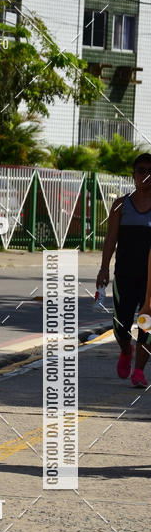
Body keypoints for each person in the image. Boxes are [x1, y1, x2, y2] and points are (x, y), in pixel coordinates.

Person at [96, 153, 151, 388]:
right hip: (125, 275)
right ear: (133, 175)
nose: (145, 175)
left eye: (150, 171)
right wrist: (103, 268)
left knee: (147, 323)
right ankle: (125, 350)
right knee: (120, 325)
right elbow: (111, 238)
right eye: (141, 170)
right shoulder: (120, 204)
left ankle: (139, 370)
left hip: (150, 279)